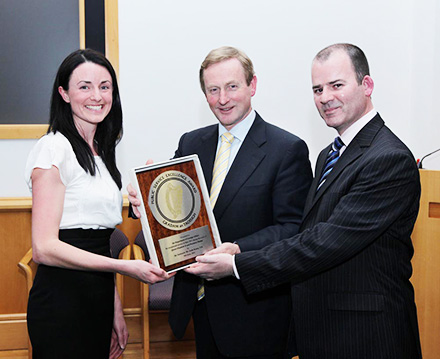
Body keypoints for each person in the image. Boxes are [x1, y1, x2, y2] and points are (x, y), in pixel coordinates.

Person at [187, 43, 422, 359]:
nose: (325, 97)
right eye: (317, 89)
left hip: (367, 334)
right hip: (324, 328)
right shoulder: (330, 154)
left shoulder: (388, 158)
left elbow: (323, 243)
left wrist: (235, 264)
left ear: (366, 85)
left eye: (336, 85)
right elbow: (308, 232)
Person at [128, 46, 313, 358]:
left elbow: (293, 228)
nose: (223, 99)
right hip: (200, 304)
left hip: (255, 308)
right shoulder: (191, 142)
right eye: (213, 90)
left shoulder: (287, 149)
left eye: (232, 87)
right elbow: (178, 216)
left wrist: (237, 249)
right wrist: (145, 207)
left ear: (252, 85)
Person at [25, 49, 170, 359]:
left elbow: (98, 243)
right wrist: (124, 267)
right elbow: (45, 248)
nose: (97, 96)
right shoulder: (53, 148)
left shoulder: (101, 153)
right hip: (61, 301)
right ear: (64, 93)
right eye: (85, 86)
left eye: (105, 87)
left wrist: (115, 307)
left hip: (98, 297)